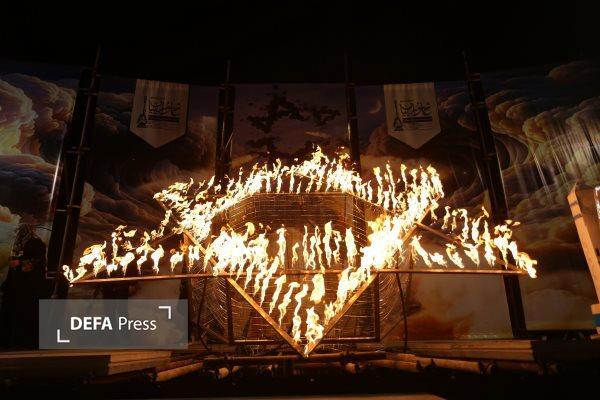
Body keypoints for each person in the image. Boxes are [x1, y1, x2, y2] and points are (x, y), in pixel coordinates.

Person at [0, 223, 49, 349]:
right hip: (18, 290)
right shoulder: (20, 246)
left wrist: (19, 263)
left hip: (28, 291)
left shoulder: (35, 244)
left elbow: (35, 261)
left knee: (23, 321)